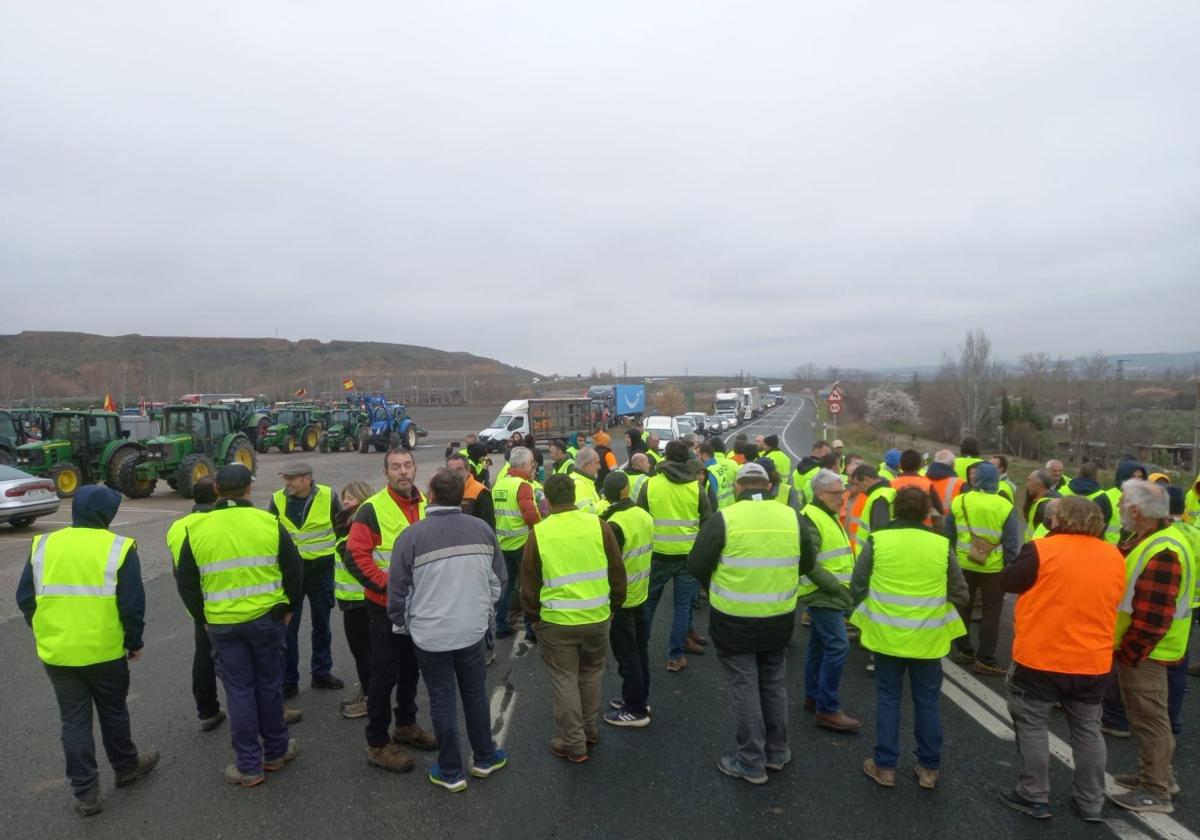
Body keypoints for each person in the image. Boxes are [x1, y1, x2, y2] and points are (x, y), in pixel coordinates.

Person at [689, 462, 851, 784]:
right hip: (779, 618)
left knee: (745, 686)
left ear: (738, 488)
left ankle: (750, 760)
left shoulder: (726, 518)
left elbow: (696, 564)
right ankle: (777, 751)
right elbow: (806, 563)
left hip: (734, 620)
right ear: (768, 487)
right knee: (773, 683)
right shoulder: (792, 517)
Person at [17, 485, 159, 816]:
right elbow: (132, 605)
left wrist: (44, 629)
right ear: (107, 514)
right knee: (113, 711)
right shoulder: (118, 548)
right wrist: (133, 642)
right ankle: (126, 768)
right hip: (104, 650)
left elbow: (25, 598)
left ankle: (86, 793)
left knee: (74, 720)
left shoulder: (44, 544)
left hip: (58, 653)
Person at [996, 496, 1126, 822]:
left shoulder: (1041, 549)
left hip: (1041, 658)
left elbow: (1008, 581)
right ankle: (1091, 802)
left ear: (1059, 519)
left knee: (1033, 726)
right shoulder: (1113, 555)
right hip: (1093, 661)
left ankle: (1033, 795)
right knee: (1087, 731)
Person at [175, 464, 302, 786]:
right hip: (266, 620)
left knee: (240, 692)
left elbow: (187, 582)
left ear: (216, 489)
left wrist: (202, 618)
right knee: (269, 685)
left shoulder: (196, 530)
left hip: (223, 625)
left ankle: (248, 766)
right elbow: (293, 571)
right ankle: (276, 752)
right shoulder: (269, 523)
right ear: (249, 490)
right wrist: (288, 609)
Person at [388, 469, 508, 791]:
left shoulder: (411, 537)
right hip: (471, 632)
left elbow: (398, 592)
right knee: (474, 694)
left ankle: (451, 770)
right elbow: (498, 582)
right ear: (461, 496)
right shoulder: (482, 530)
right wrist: (483, 613)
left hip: (430, 637)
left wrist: (404, 624)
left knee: (441, 700)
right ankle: (485, 757)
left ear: (431, 495)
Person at [851, 487, 968, 789]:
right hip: (928, 640)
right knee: (927, 702)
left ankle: (885, 766)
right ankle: (929, 769)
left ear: (895, 510)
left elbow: (858, 584)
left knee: (888, 700)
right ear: (926, 512)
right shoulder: (941, 545)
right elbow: (960, 593)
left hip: (886, 636)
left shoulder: (878, 541)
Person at [522, 474, 627, 762]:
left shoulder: (540, 533)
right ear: (572, 495)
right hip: (597, 617)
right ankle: (590, 730)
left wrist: (533, 618)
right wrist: (614, 605)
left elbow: (529, 584)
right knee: (591, 673)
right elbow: (617, 572)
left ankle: (573, 743)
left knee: (564, 679)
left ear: (547, 500)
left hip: (557, 622)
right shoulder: (599, 526)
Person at [346, 448, 437, 772]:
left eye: (407, 465)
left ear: (415, 469)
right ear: (386, 473)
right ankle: (378, 742)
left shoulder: (427, 505)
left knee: (412, 668)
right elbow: (355, 556)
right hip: (384, 608)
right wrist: (389, 585)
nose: (403, 472)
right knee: (383, 675)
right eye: (396, 467)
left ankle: (406, 725)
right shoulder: (371, 509)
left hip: (419, 608)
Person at [1106, 480, 1194, 814]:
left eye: (1123, 504)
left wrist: (1129, 653)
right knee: (1149, 717)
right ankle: (1158, 776)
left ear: (1136, 511)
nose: (1118, 509)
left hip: (1147, 652)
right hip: (1150, 649)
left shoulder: (1164, 550)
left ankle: (1156, 791)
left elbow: (1154, 617)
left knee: (1150, 719)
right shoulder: (1155, 540)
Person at [268, 462, 344, 698]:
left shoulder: (329, 496)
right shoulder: (277, 499)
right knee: (288, 626)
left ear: (307, 478)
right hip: (291, 573)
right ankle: (289, 680)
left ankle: (321, 673)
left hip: (321, 570)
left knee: (321, 623)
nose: (287, 483)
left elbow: (340, 529)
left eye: (292, 478)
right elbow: (270, 534)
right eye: (286, 478)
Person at [639, 440, 712, 671]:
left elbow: (640, 518)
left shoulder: (650, 485)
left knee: (649, 604)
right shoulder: (695, 487)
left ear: (665, 457)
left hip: (657, 554)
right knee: (682, 607)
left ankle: (640, 652)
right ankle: (675, 656)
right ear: (685, 459)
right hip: (686, 557)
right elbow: (708, 520)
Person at [946, 462, 1020, 675]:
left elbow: (949, 536)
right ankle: (986, 659)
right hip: (993, 569)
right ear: (996, 480)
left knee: (962, 608)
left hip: (962, 564)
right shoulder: (1004, 506)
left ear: (976, 479)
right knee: (991, 614)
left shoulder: (959, 501)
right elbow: (1011, 544)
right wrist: (1010, 569)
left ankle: (964, 650)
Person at [802, 469, 861, 730]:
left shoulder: (826, 514)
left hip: (828, 594)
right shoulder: (813, 518)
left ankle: (813, 697)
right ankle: (827, 708)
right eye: (837, 493)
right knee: (838, 647)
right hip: (824, 595)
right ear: (820, 493)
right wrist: (835, 588)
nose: (842, 498)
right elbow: (809, 562)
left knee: (818, 646)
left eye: (843, 492)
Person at [166, 476, 224, 730]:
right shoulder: (219, 523)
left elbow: (178, 569)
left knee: (204, 657)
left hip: (197, 603)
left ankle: (207, 711)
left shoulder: (177, 527)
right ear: (217, 492)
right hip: (228, 600)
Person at [600, 471, 655, 726]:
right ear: (626, 490)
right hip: (641, 591)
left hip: (622, 597)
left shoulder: (614, 524)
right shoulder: (643, 515)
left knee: (626, 654)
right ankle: (639, 698)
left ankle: (635, 710)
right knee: (640, 649)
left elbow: (608, 563)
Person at [334, 480, 375, 719]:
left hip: (358, 598)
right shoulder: (352, 520)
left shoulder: (354, 525)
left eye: (350, 497)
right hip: (355, 596)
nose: (345, 501)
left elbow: (353, 560)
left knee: (362, 651)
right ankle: (367, 689)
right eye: (344, 497)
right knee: (365, 650)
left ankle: (370, 699)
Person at [491, 446, 542, 641]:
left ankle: (501, 624)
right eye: (531, 464)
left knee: (508, 586)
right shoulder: (523, 486)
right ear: (523, 465)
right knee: (528, 587)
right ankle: (531, 630)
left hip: (503, 544)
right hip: (522, 544)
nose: (532, 468)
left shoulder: (499, 485)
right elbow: (530, 515)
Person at [847, 464, 895, 555]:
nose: (859, 489)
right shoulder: (886, 492)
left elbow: (879, 534)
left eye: (858, 484)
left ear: (866, 480)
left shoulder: (878, 498)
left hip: (873, 558)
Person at [890, 449, 942, 523]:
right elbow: (940, 510)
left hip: (895, 527)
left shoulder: (890, 484)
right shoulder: (928, 485)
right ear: (919, 466)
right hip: (923, 529)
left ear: (900, 465)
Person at [447, 452, 495, 530]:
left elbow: (489, 528)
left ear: (468, 470)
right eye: (451, 470)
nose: (455, 474)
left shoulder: (480, 492)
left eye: (459, 469)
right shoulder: (442, 491)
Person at [1022, 470, 1059, 542]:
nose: (1027, 484)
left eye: (1029, 481)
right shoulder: (1034, 498)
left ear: (1039, 484)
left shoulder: (1048, 506)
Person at [926, 450, 963, 519]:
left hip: (924, 526)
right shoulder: (960, 484)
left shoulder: (921, 480)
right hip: (947, 526)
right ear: (953, 466)